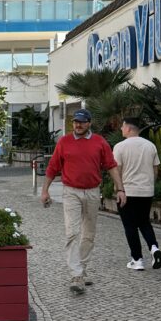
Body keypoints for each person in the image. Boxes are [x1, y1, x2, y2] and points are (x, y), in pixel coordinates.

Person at [40, 109, 126, 295]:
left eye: (81, 122)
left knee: (89, 234)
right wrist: (45, 191)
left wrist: (120, 189)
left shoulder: (99, 142)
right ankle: (76, 276)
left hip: (93, 192)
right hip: (71, 192)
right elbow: (53, 167)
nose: (77, 125)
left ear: (89, 123)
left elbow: (111, 166)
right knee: (72, 232)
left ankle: (82, 268)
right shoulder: (64, 142)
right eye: (75, 122)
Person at [113, 117, 161, 271]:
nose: (121, 129)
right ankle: (154, 248)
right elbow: (155, 170)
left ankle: (137, 259)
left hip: (127, 191)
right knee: (144, 222)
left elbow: (117, 170)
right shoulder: (150, 146)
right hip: (146, 191)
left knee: (130, 226)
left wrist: (118, 189)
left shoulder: (120, 147)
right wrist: (148, 185)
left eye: (122, 127)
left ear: (128, 128)